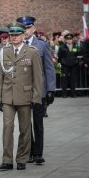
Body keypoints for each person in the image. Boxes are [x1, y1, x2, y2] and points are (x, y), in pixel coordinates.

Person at [0, 22, 43, 171]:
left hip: (25, 95)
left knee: (25, 129)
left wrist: (36, 98)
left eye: (17, 35)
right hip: (8, 96)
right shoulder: (4, 51)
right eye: (12, 35)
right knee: (7, 127)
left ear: (23, 35)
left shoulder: (32, 52)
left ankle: (22, 158)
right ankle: (7, 160)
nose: (14, 37)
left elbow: (37, 78)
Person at [17, 16, 56, 164]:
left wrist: (51, 89)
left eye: (27, 28)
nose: (25, 31)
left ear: (33, 28)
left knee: (38, 122)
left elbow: (49, 68)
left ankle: (38, 153)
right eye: (23, 28)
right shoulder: (17, 44)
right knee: (25, 124)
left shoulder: (42, 45)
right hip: (22, 89)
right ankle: (29, 152)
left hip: (39, 89)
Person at [58, 33, 79, 98]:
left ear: (72, 39)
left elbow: (77, 54)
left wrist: (76, 61)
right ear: (65, 40)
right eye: (67, 39)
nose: (69, 40)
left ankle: (73, 93)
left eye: (70, 39)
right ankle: (64, 94)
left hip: (73, 65)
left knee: (73, 79)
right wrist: (61, 62)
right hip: (65, 65)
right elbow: (59, 56)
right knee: (64, 79)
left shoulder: (75, 46)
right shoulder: (62, 47)